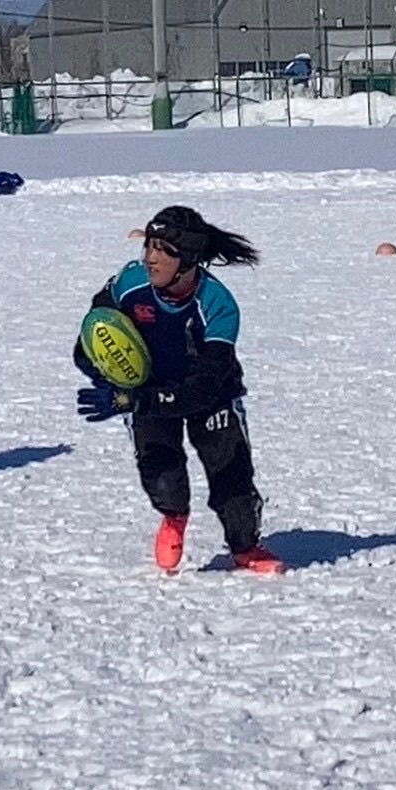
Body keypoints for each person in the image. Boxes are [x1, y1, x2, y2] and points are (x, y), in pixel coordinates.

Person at [74, 206, 284, 576]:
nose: (150, 258)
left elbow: (204, 388)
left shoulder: (218, 305)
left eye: (163, 250)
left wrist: (133, 399)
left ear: (187, 259)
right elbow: (88, 343)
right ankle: (174, 517)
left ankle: (245, 547)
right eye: (149, 246)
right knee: (162, 475)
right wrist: (110, 382)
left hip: (211, 395)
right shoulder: (129, 282)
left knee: (232, 476)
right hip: (147, 387)